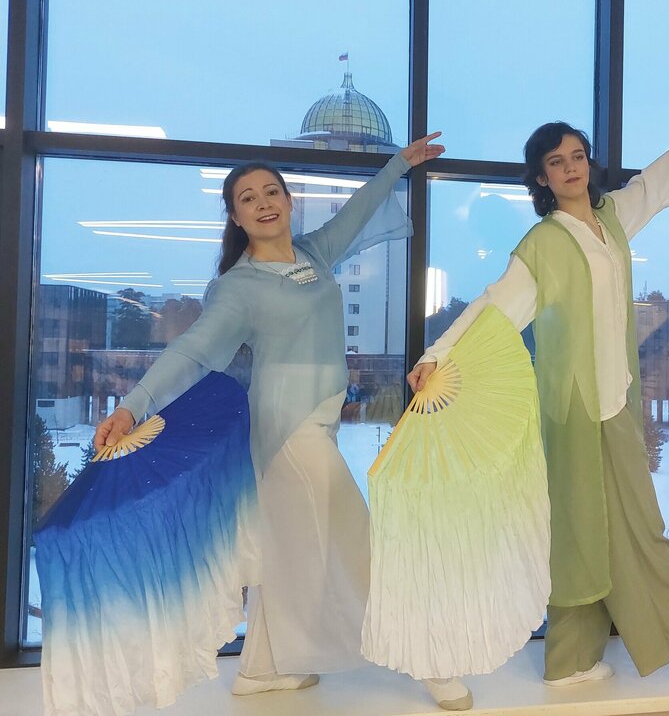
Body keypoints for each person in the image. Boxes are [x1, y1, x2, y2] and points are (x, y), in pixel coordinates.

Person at [94, 133, 474, 711]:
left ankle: (261, 670)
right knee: (356, 540)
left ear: (290, 201)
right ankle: (429, 659)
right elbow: (193, 350)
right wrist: (133, 405)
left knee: (286, 550)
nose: (263, 203)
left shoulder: (314, 255)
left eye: (272, 191)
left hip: (318, 422)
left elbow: (358, 211)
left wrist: (399, 163)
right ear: (236, 216)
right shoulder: (237, 288)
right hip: (286, 429)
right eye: (248, 198)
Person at [408, 118, 669, 695]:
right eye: (557, 161)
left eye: (577, 156)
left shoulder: (612, 219)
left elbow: (654, 186)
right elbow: (495, 308)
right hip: (571, 407)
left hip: (616, 399)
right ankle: (574, 660)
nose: (571, 167)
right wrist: (438, 354)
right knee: (577, 529)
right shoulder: (542, 244)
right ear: (542, 178)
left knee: (638, 527)